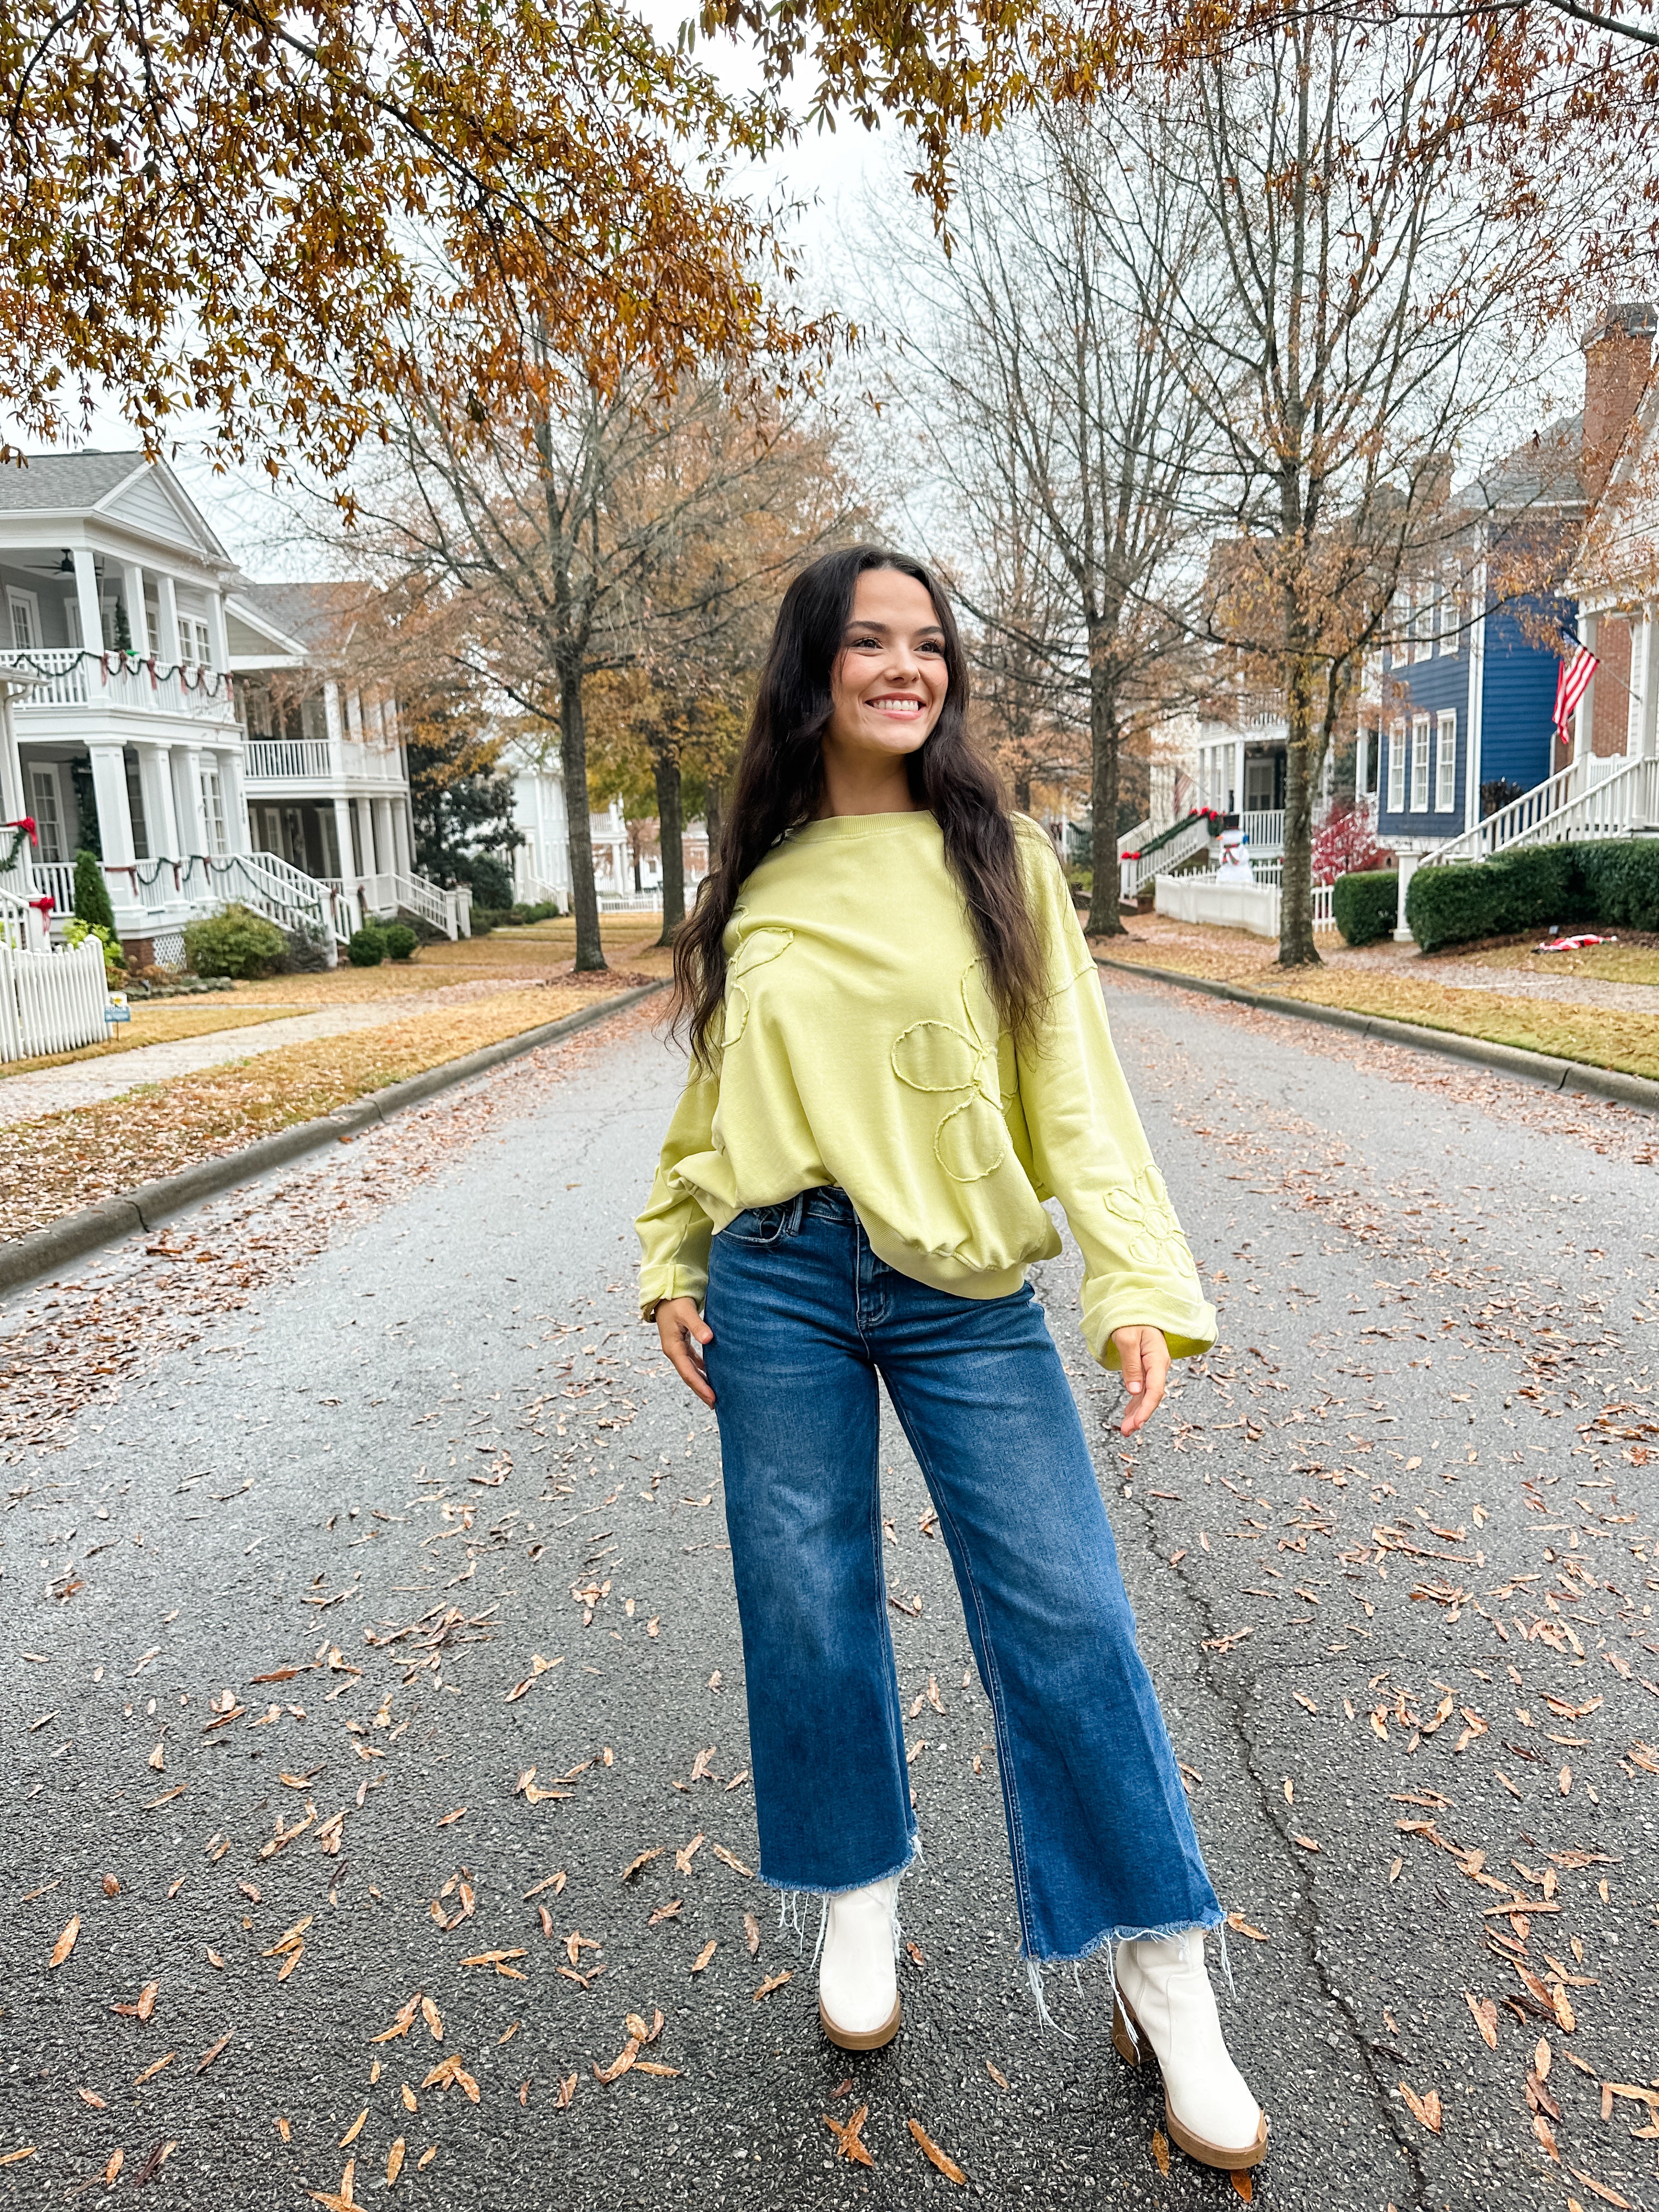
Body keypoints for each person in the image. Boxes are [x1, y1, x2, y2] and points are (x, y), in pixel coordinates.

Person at [636, 547, 1266, 2174]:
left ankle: (1163, 1968)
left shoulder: (1006, 861)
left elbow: (1080, 1090)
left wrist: (1135, 1277)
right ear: (815, 669)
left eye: (928, 645)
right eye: (871, 643)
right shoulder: (757, 874)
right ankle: (857, 1894)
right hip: (773, 1278)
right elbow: (713, 1106)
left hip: (963, 1287)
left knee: (1067, 1612)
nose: (906, 669)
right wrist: (667, 1261)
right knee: (808, 1599)